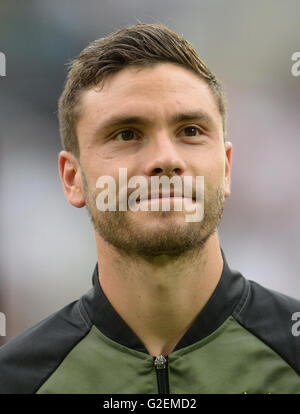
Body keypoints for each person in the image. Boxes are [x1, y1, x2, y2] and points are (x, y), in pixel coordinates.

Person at [0, 23, 299, 395]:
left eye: (190, 130)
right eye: (127, 134)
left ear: (226, 168)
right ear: (72, 178)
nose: (165, 159)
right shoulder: (16, 380)